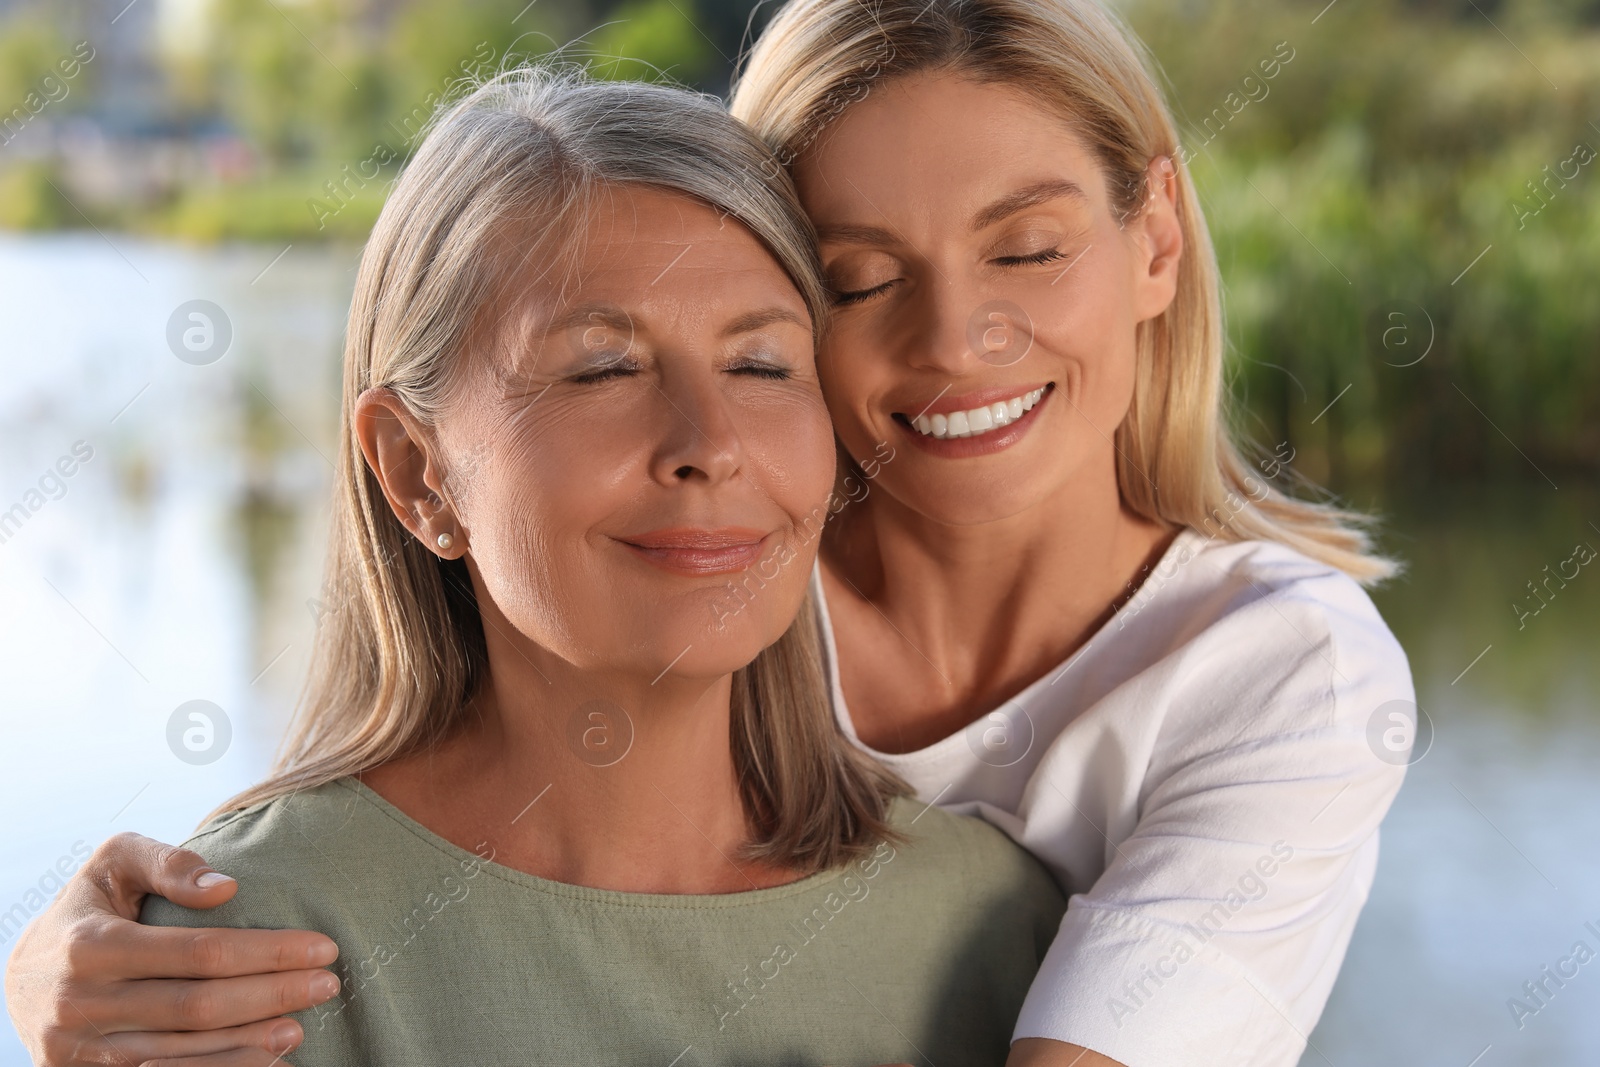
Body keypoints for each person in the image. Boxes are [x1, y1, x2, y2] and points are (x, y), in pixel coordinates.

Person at [5, 1, 1415, 1065]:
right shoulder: (270, 943)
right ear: (417, 473)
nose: (957, 338)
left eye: (1031, 248)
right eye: (860, 281)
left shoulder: (1259, 697)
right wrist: (67, 970)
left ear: (1156, 238)